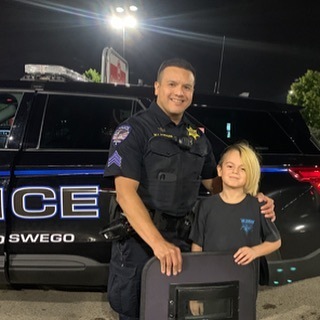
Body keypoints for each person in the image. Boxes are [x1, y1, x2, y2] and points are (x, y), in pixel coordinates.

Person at [103, 58, 275, 320]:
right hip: (141, 242)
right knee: (138, 310)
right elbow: (125, 193)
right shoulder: (133, 130)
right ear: (157, 87)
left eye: (187, 87)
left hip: (184, 239)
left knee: (180, 310)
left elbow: (216, 184)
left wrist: (253, 199)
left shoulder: (197, 137)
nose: (179, 92)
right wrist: (159, 244)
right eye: (172, 84)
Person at [189, 142, 281, 318]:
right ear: (219, 170)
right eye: (230, 166)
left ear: (250, 174)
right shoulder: (205, 206)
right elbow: (197, 249)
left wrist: (254, 251)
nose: (235, 172)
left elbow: (275, 240)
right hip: (210, 286)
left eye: (243, 169)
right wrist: (195, 292)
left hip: (244, 285)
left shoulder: (258, 206)